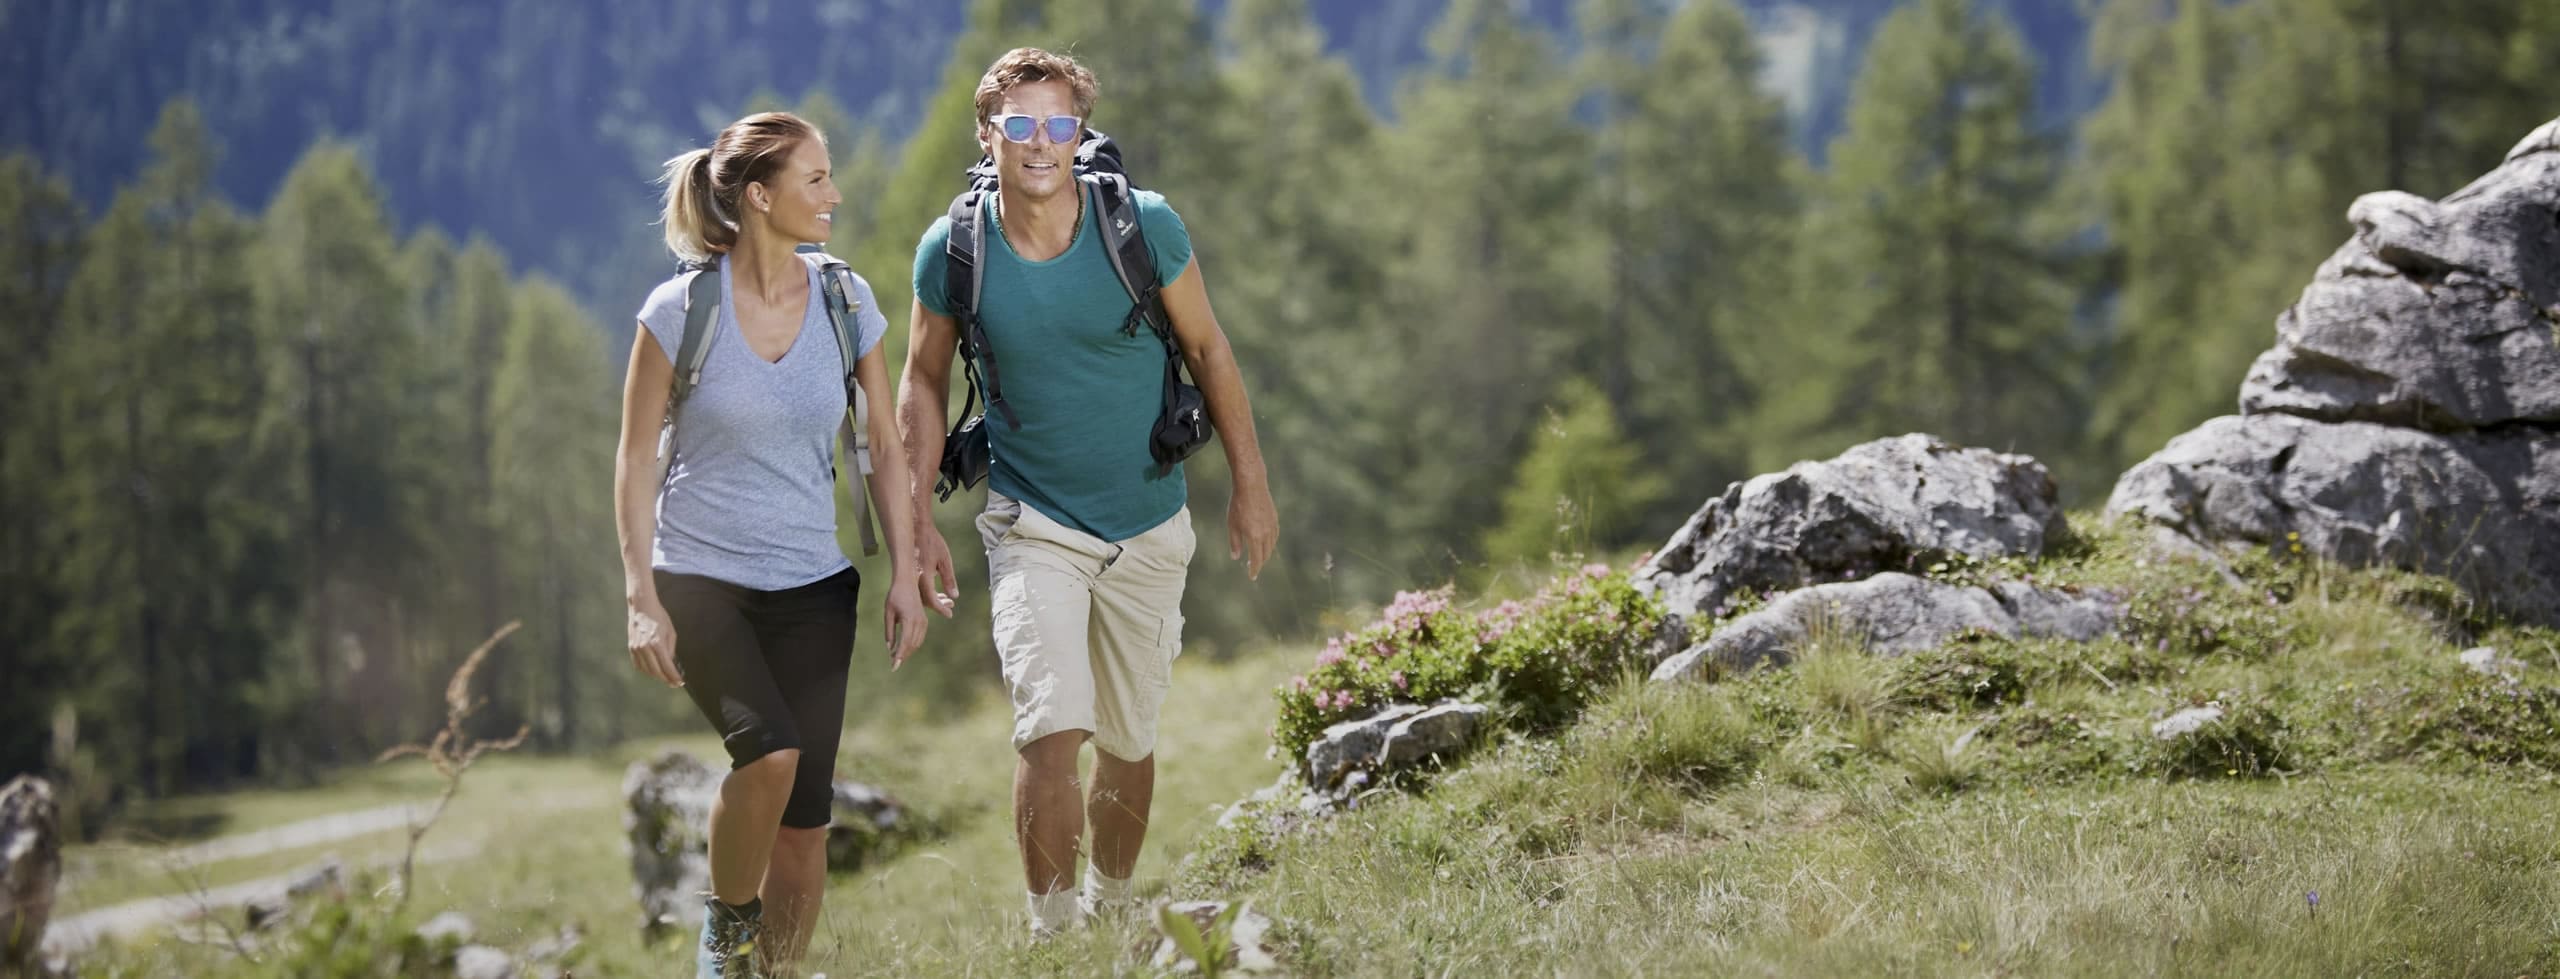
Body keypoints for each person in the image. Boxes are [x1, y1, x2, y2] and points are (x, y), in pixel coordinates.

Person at [895, 48, 1279, 940]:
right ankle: (1053, 931)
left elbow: (1212, 351)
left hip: (1149, 518)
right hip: (1031, 523)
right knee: (1050, 727)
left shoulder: (1142, 226)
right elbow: (920, 380)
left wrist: (1250, 487)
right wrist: (915, 523)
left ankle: (1111, 906)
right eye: (1019, 125)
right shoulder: (955, 249)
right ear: (987, 134)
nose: (1039, 143)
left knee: (1127, 740)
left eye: (1057, 124)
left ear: (1080, 134)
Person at [614, 111, 932, 978]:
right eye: (816, 180)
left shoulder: (843, 299)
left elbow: (884, 447)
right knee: (770, 754)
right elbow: (637, 455)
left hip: (815, 586)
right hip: (700, 576)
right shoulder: (678, 309)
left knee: (805, 824)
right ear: (759, 196)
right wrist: (641, 596)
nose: (834, 194)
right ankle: (724, 940)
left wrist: (905, 572)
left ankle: (779, 972)